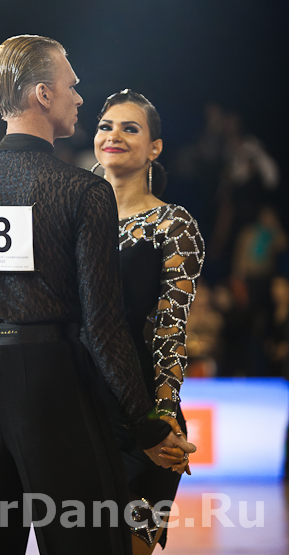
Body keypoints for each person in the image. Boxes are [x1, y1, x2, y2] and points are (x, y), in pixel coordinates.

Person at [0, 37, 195, 555]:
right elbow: (103, 327)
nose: (79, 98)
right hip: (56, 387)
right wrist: (146, 427)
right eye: (71, 86)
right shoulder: (84, 191)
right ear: (43, 94)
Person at [92, 89, 205, 553]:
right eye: (105, 126)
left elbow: (170, 331)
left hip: (143, 419)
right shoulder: (71, 220)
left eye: (129, 128)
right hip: (75, 412)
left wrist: (161, 417)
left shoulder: (174, 226)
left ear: (154, 148)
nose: (113, 135)